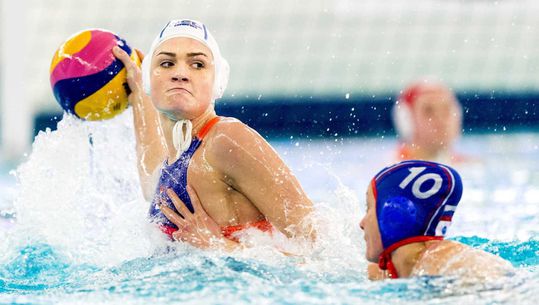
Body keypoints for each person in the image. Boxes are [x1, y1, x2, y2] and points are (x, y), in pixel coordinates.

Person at [113, 19, 315, 250]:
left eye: (197, 64)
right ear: (150, 79)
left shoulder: (226, 139)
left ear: (218, 80)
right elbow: (150, 177)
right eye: (167, 63)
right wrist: (138, 92)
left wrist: (218, 245)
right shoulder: (175, 160)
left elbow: (320, 247)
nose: (180, 73)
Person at [360, 160, 514, 280]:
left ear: (394, 213)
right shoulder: (391, 271)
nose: (361, 223)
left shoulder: (451, 263)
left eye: (369, 208)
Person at [392, 80, 464, 163]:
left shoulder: (469, 166)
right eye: (428, 111)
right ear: (407, 122)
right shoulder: (393, 170)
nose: (440, 119)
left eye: (446, 109)